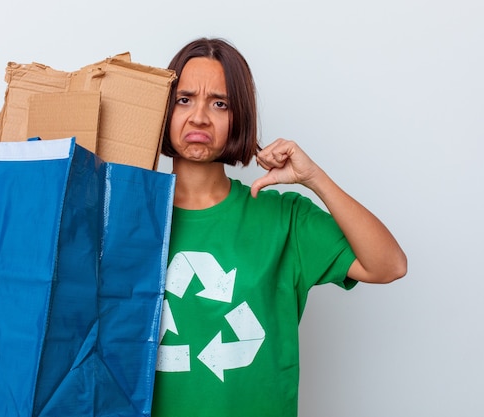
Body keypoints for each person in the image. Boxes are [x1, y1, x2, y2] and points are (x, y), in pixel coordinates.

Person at [151, 37, 407, 417]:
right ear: (163, 109)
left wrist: (314, 178)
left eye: (219, 103)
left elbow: (389, 265)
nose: (199, 116)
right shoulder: (129, 216)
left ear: (239, 116)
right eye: (184, 99)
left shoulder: (283, 217)